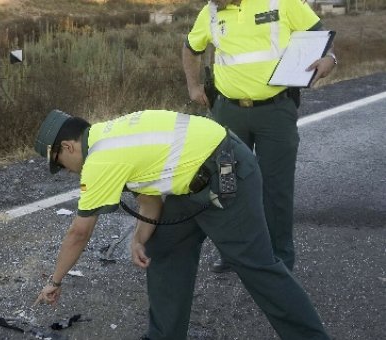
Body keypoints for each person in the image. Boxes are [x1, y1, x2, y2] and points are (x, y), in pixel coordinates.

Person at [32, 109, 329, 340]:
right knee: (164, 249)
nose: (65, 171)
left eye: (59, 163)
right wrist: (138, 239)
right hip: (189, 183)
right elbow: (150, 198)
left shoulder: (99, 159)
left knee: (256, 265)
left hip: (226, 173)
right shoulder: (108, 135)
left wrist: (55, 281)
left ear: (69, 147)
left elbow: (79, 233)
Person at [182, 0, 337, 273]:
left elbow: (318, 35)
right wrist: (193, 86)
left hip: (275, 112)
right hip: (228, 112)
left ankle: (280, 259)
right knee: (226, 184)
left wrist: (330, 59)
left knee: (276, 188)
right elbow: (191, 48)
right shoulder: (211, 12)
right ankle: (233, 253)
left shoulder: (282, 2)